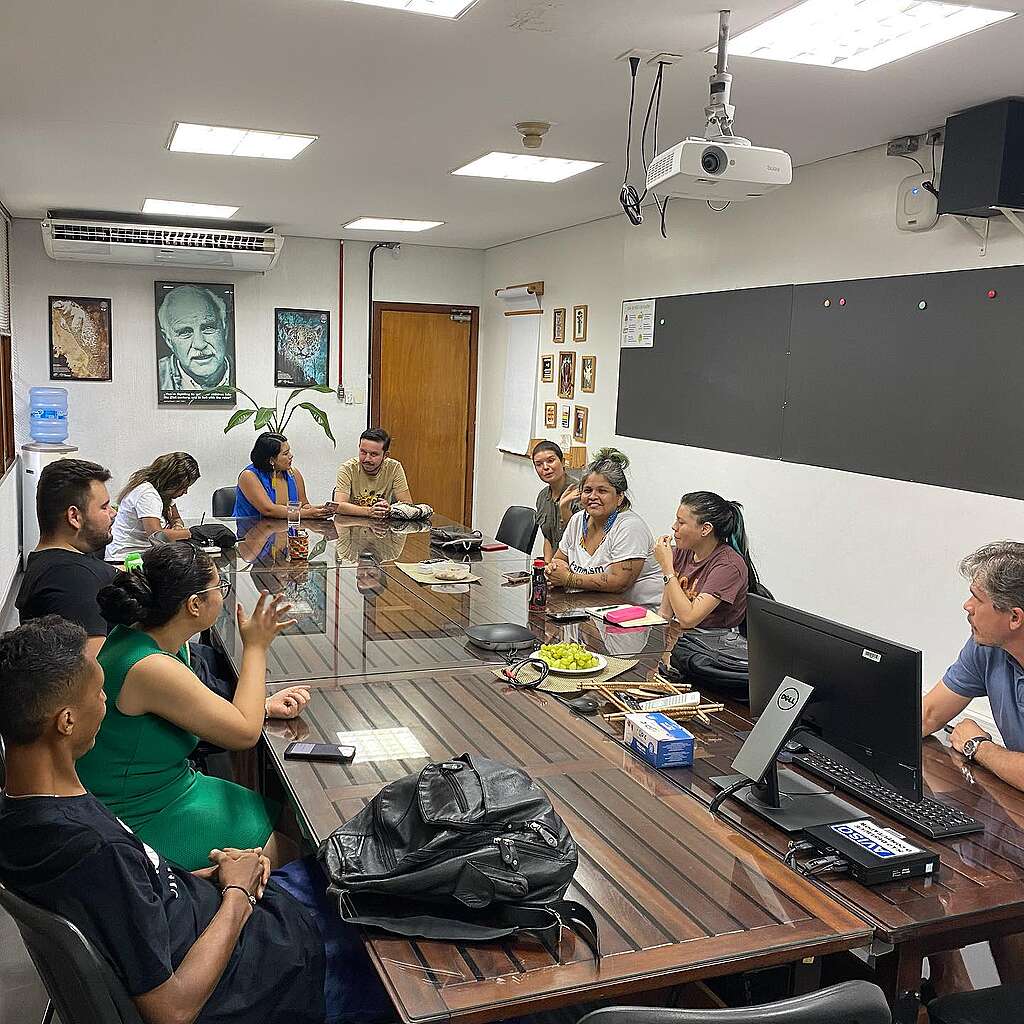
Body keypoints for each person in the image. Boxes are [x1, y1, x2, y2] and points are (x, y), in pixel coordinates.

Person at [0, 616, 394, 1024]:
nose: (105, 702)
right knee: (388, 949)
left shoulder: (28, 813)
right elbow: (172, 1009)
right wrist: (238, 893)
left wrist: (214, 876)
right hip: (269, 976)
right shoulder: (94, 849)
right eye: (99, 693)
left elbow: (139, 889)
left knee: (344, 875)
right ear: (66, 721)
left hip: (215, 912)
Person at [76, 543, 311, 871]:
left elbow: (188, 706)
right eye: (220, 588)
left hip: (166, 786)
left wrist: (262, 706)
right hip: (136, 816)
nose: (224, 595)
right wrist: (256, 646)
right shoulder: (150, 667)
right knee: (291, 852)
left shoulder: (151, 635)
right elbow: (243, 733)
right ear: (195, 604)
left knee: (288, 817)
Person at [921, 541, 1024, 995]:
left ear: (1014, 617)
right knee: (927, 859)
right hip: (1015, 810)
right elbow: (928, 716)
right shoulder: (989, 647)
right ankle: (952, 985)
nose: (967, 606)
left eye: (977, 598)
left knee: (998, 888)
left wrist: (979, 747)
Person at [16, 458, 117, 658]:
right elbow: (87, 677)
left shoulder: (49, 561)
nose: (113, 513)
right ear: (74, 517)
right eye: (104, 507)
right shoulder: (72, 579)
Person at [545, 448, 662, 606]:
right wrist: (554, 570)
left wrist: (567, 578)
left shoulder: (630, 527)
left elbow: (619, 582)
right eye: (587, 490)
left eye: (602, 491)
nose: (593, 497)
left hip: (640, 612)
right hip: (590, 605)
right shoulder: (578, 520)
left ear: (619, 497)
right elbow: (559, 558)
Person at [655, 492, 762, 630]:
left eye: (681, 522)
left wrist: (667, 567)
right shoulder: (683, 551)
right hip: (684, 638)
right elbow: (665, 614)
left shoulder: (728, 565)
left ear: (705, 529)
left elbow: (688, 619)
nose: (674, 527)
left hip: (714, 644)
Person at [106, 452, 201, 560]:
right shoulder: (147, 494)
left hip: (144, 554)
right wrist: (192, 533)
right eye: (184, 487)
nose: (186, 492)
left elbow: (176, 518)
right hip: (126, 559)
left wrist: (177, 526)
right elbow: (156, 535)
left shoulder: (163, 494)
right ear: (171, 482)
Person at [233, 432, 332, 520]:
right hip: (254, 534)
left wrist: (318, 510)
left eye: (289, 451)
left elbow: (304, 505)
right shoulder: (249, 476)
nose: (291, 456)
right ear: (271, 460)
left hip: (286, 533)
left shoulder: (293, 473)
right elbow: (269, 510)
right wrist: (309, 514)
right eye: (285, 453)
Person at [157, 283, 232, 394]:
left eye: (208, 328)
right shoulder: (154, 375)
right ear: (169, 341)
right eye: (185, 332)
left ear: (225, 330)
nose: (200, 344)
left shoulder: (251, 371)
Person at [334, 428, 412, 519]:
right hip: (352, 525)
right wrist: (369, 511)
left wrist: (390, 509)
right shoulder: (347, 468)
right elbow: (338, 506)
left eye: (373, 454)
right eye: (363, 452)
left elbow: (408, 505)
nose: (367, 459)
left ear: (385, 455)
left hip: (383, 528)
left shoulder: (394, 467)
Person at [532, 441, 580, 561]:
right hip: (554, 567)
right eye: (539, 464)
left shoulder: (579, 493)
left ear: (562, 462)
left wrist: (564, 508)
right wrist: (548, 567)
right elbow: (548, 537)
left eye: (550, 460)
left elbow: (578, 536)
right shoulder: (543, 496)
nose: (545, 467)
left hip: (576, 567)